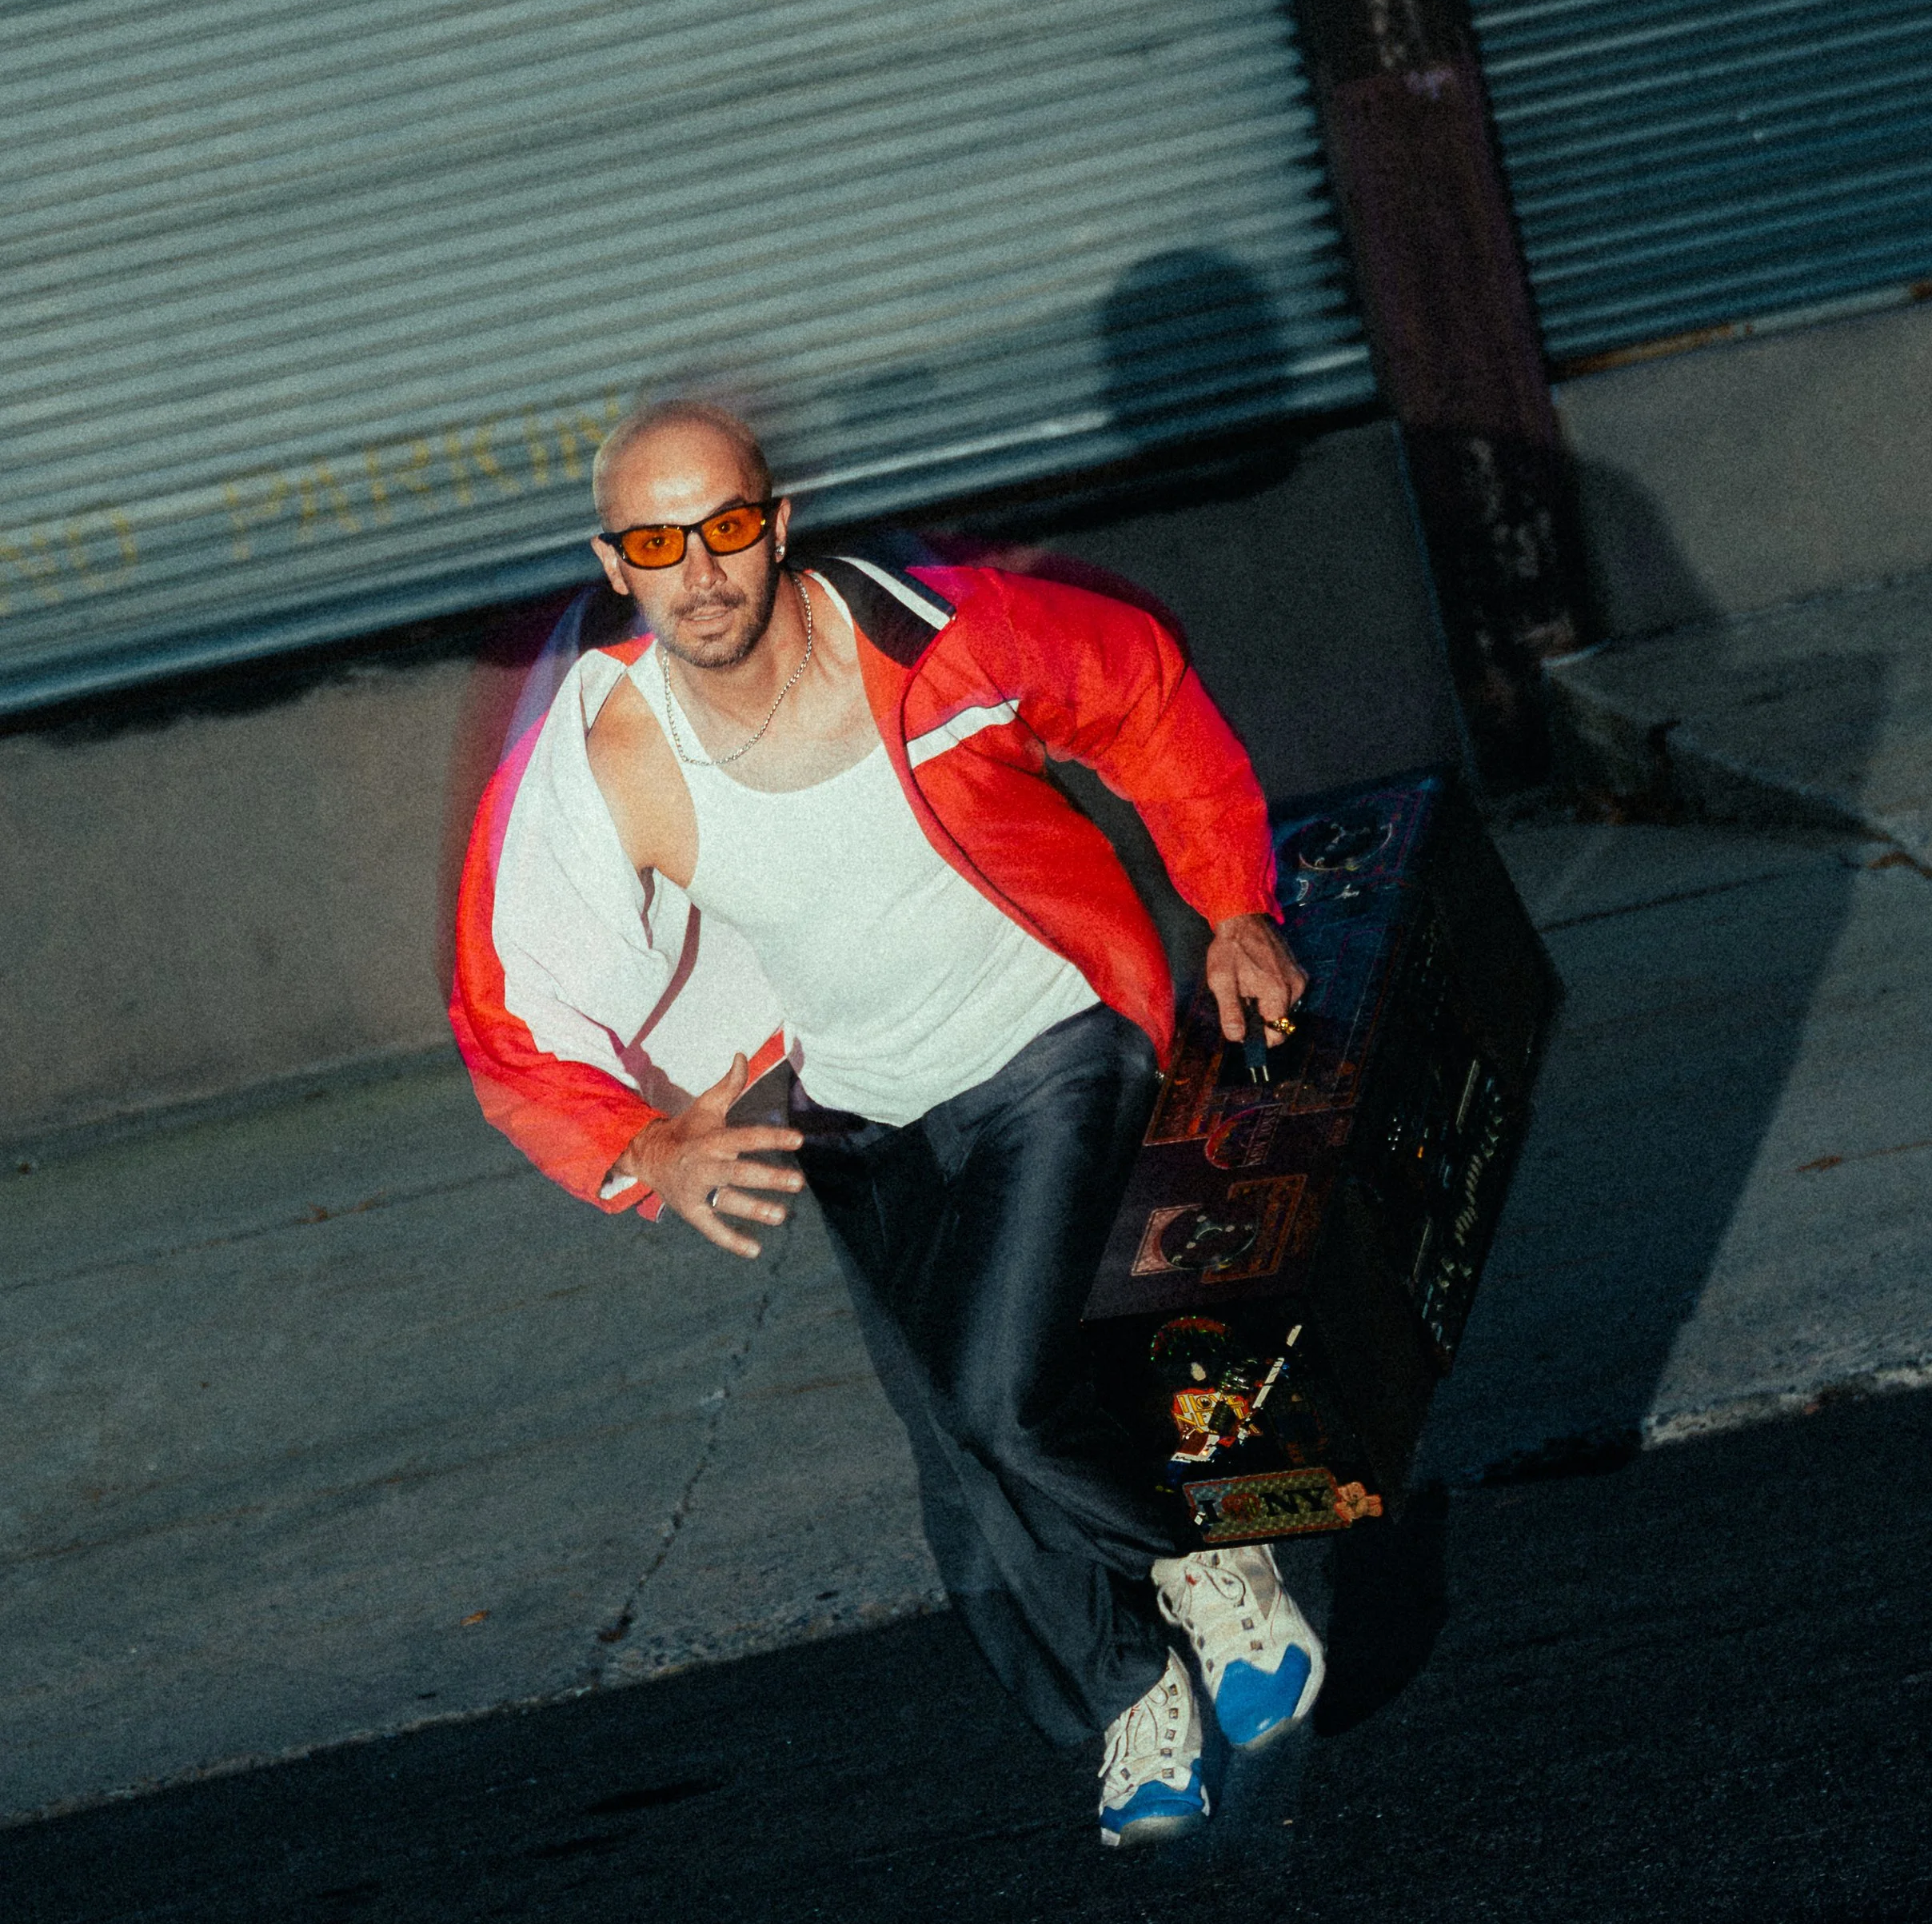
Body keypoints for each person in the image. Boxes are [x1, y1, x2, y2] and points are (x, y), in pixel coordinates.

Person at [452, 399, 1324, 1844]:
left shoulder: (938, 641)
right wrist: (645, 1146)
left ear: (778, 522)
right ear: (618, 565)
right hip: (861, 1112)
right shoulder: (606, 760)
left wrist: (1231, 898)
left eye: (728, 528)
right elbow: (510, 994)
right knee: (968, 1448)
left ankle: (1208, 1565)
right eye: (662, 544)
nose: (703, 571)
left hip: (1049, 1033)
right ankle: (1131, 1699)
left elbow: (1139, 690)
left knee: (1003, 1395)